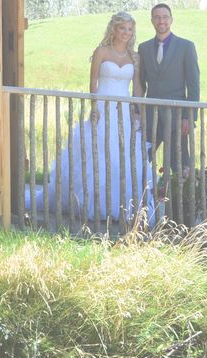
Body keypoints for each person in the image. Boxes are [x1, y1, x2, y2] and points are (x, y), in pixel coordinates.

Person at [41, 12, 154, 222]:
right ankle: (93, 205)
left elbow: (137, 87)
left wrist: (141, 112)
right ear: (114, 29)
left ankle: (123, 206)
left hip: (124, 111)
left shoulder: (135, 57)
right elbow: (93, 82)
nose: (126, 33)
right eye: (122, 28)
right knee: (99, 153)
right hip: (103, 108)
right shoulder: (101, 51)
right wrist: (95, 107)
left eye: (130, 29)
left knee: (123, 155)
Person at [135, 3, 201, 168]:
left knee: (179, 164)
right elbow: (139, 83)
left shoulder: (186, 46)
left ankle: (181, 185)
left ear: (171, 20)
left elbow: (193, 85)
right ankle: (144, 186)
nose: (161, 21)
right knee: (140, 160)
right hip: (150, 116)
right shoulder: (143, 48)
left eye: (165, 17)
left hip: (177, 116)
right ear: (152, 21)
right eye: (157, 17)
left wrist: (189, 116)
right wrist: (137, 111)